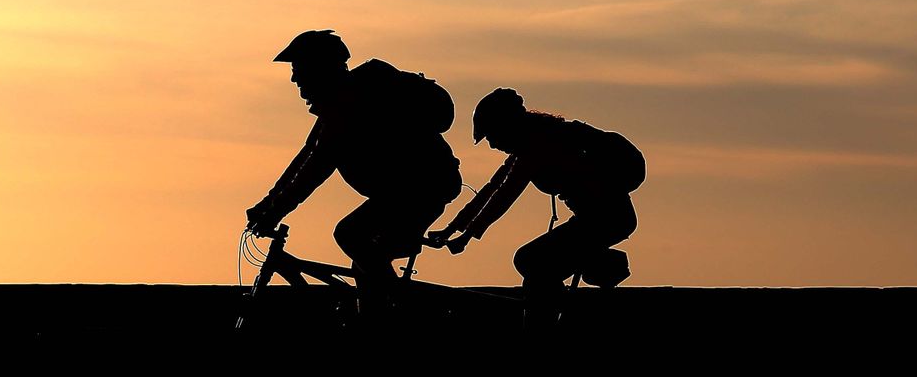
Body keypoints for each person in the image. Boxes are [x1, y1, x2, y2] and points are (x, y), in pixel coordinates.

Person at [245, 29, 462, 316]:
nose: (294, 79)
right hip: (412, 189)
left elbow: (315, 169)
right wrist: (266, 204)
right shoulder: (339, 105)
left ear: (318, 69)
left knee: (349, 234)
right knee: (364, 261)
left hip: (422, 188)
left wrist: (275, 212)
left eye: (299, 70)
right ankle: (375, 323)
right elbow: (305, 157)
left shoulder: (350, 104)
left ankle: (407, 312)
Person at [426, 88, 644, 328]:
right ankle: (578, 290)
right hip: (599, 219)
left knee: (530, 261)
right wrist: (450, 230)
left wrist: (467, 236)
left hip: (607, 219)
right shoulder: (530, 145)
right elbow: (491, 188)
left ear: (506, 126)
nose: (492, 145)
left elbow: (505, 196)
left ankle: (543, 327)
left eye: (491, 136)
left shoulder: (538, 144)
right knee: (536, 264)